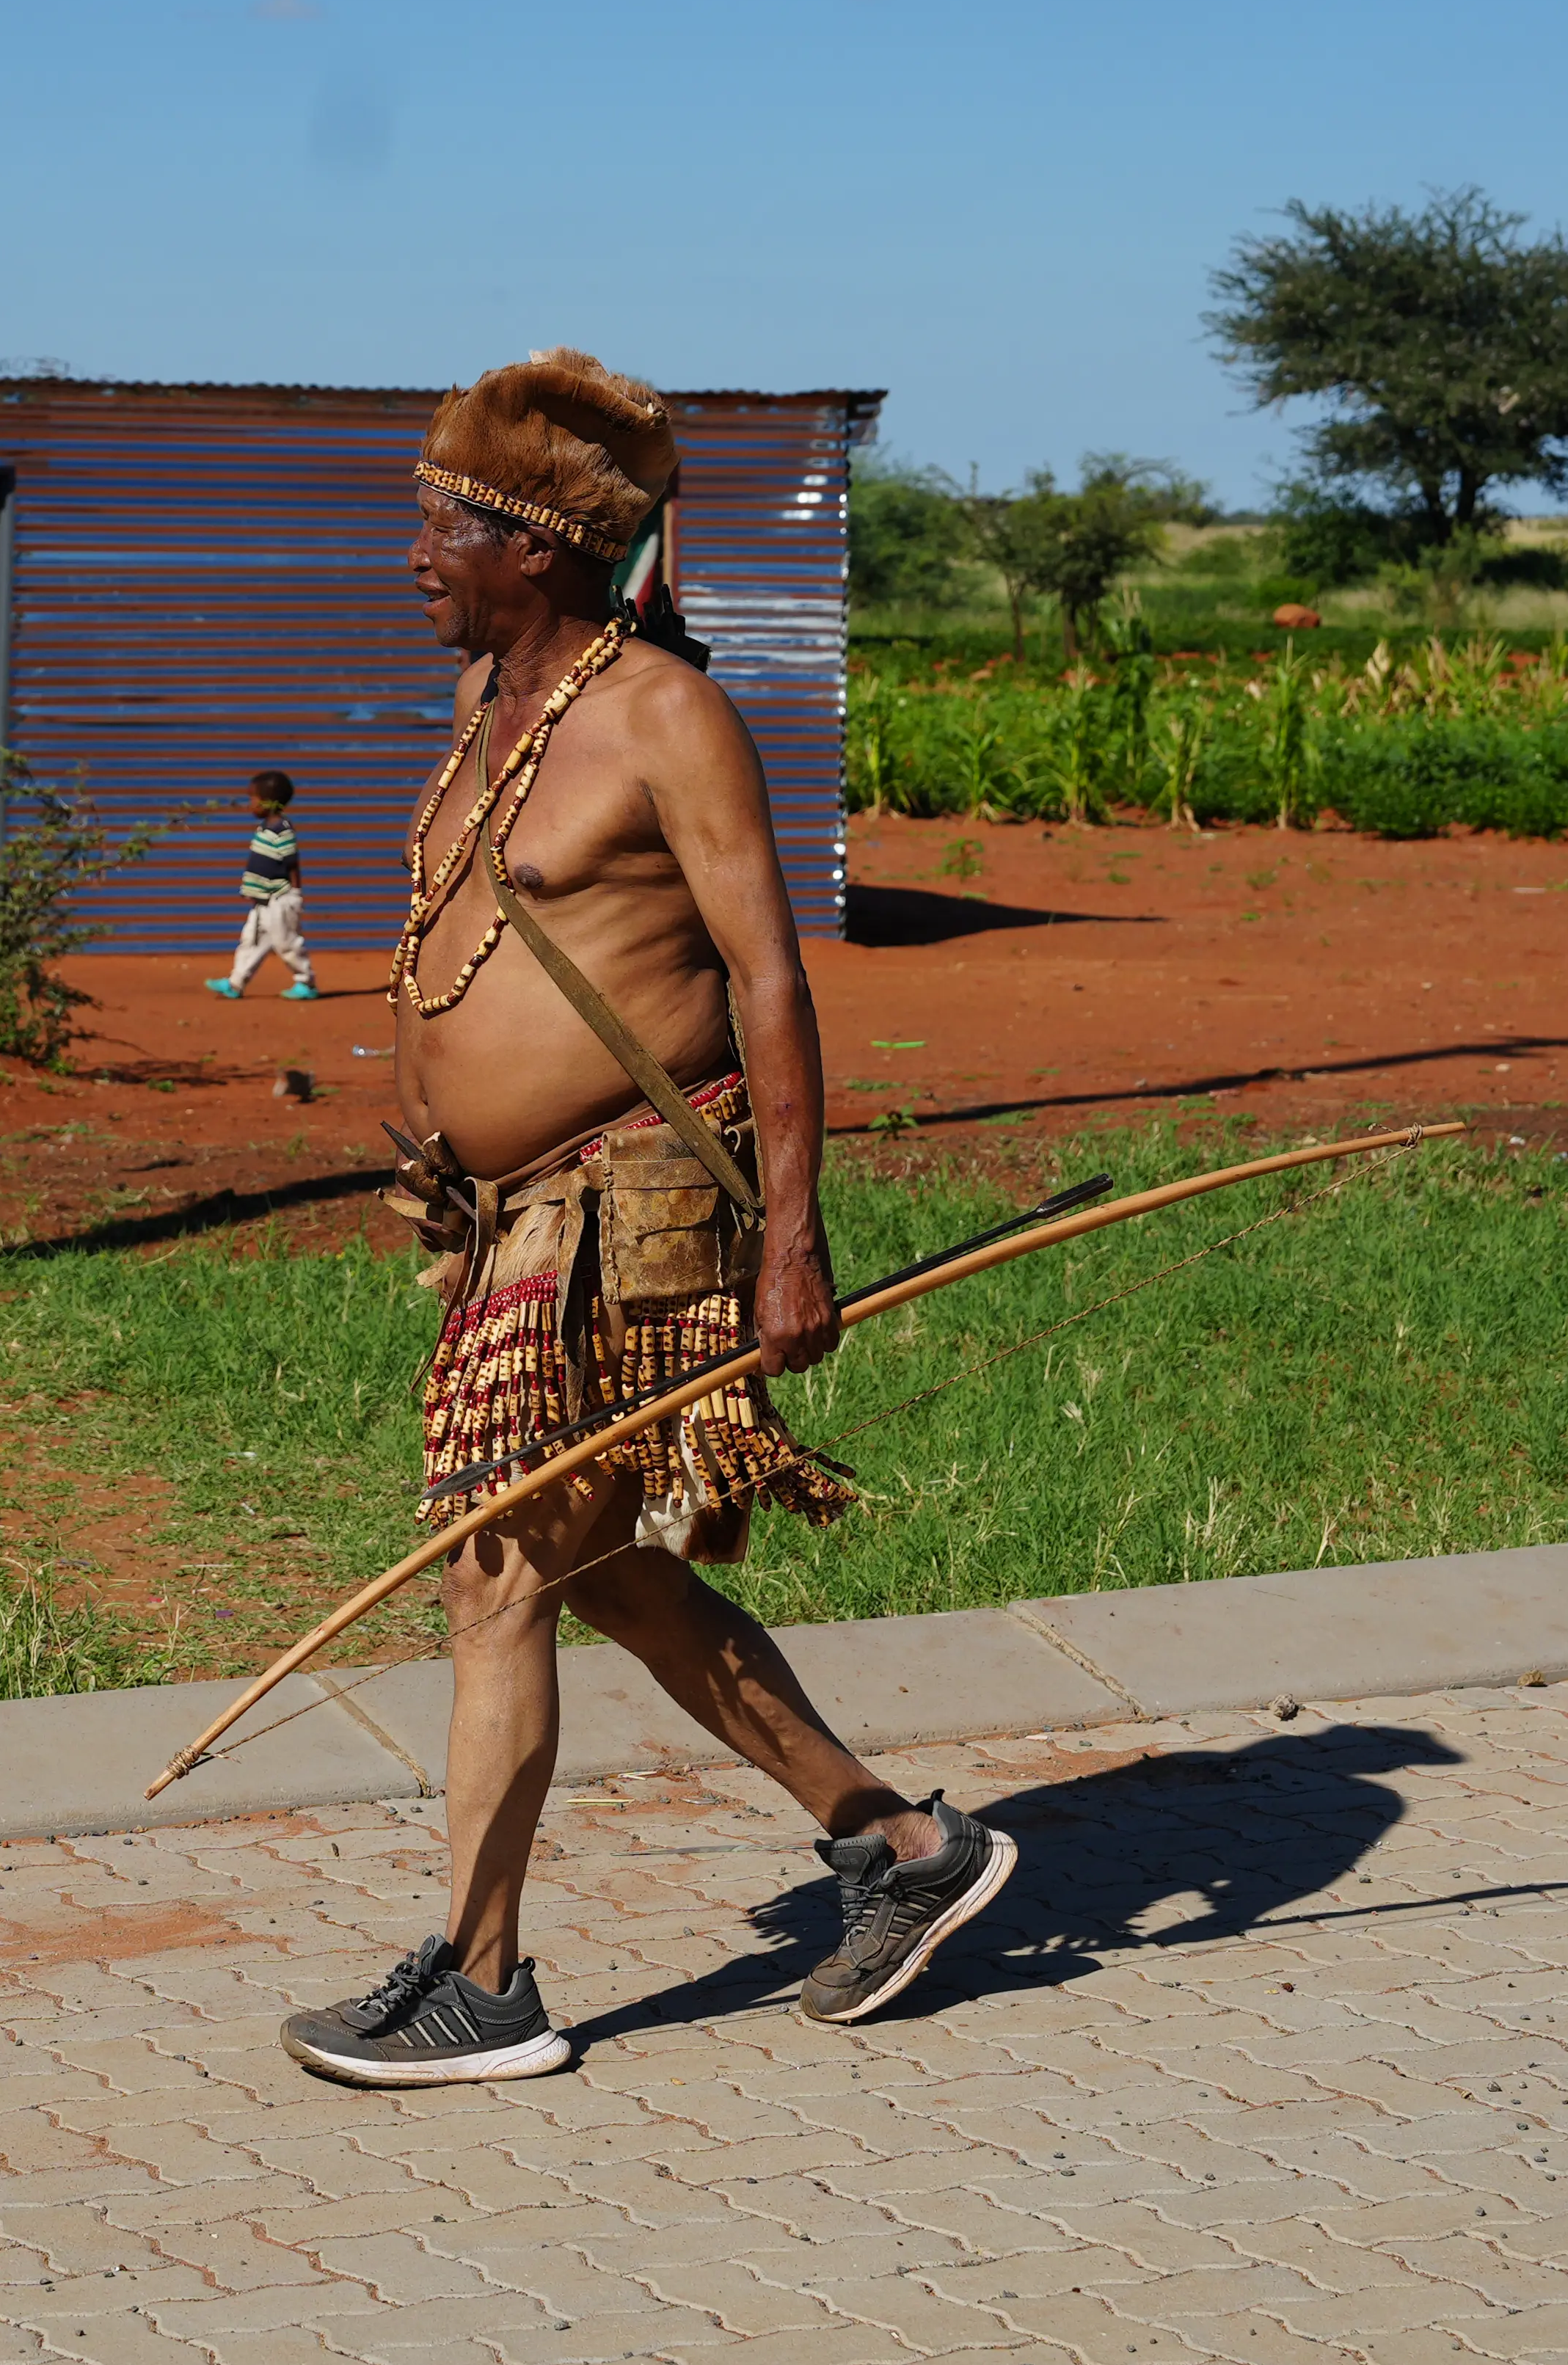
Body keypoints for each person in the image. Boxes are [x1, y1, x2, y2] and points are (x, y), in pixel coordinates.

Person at [282, 349, 1017, 2091]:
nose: (417, 557)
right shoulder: (487, 708)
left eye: (441, 526)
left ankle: (483, 1979)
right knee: (597, 1566)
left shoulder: (666, 715)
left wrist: (792, 1237)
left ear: (534, 544)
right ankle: (901, 1846)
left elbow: (768, 976)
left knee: (500, 1564)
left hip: (634, 1205)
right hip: (509, 1216)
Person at [208, 770, 315, 999]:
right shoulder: (265, 828)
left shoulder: (282, 831)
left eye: (253, 799)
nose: (251, 804)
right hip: (263, 901)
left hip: (280, 900)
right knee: (251, 941)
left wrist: (295, 895)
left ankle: (305, 982)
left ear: (270, 802)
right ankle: (235, 983)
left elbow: (292, 864)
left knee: (287, 944)